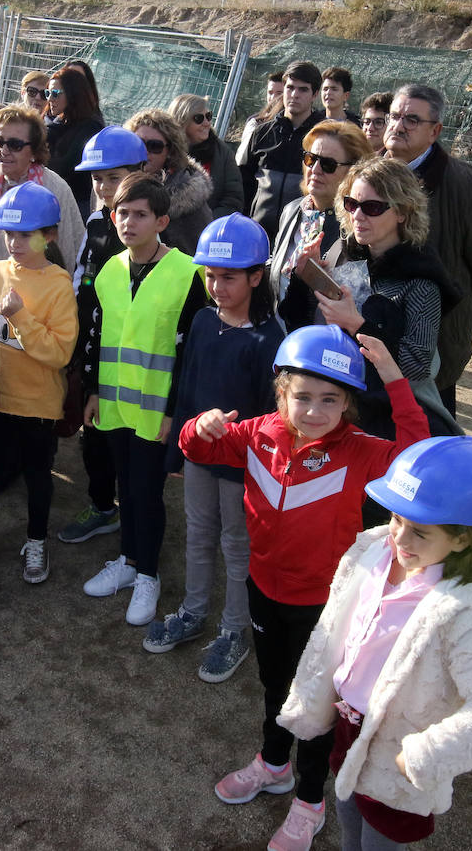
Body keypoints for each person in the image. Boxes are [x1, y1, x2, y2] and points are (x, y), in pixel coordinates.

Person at [179, 324, 430, 851]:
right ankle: (273, 764)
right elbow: (199, 452)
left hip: (327, 603)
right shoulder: (255, 435)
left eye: (330, 400)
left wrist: (393, 377)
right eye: (303, 397)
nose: (314, 411)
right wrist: (200, 429)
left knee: (318, 704)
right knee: (275, 687)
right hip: (264, 589)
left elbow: (416, 455)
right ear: (281, 394)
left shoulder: (360, 452)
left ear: (348, 405)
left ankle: (310, 800)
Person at [279, 436, 472, 848]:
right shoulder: (374, 551)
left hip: (398, 753)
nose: (400, 539)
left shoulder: (465, 608)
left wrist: (424, 755)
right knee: (348, 811)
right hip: (350, 725)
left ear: (463, 538)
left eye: (420, 532)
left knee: (379, 839)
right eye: (397, 518)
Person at [144, 214, 284, 683]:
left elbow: (275, 417)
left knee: (237, 546)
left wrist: (248, 455)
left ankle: (233, 631)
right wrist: (177, 454)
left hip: (242, 469)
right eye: (210, 275)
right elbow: (187, 387)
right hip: (197, 456)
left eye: (229, 277)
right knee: (199, 535)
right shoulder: (204, 320)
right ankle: (193, 611)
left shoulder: (271, 338)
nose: (217, 286)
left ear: (256, 277)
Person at [81, 174, 206, 626]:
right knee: (124, 487)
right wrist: (92, 390)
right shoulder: (110, 270)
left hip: (157, 411)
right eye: (121, 213)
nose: (127, 222)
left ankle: (148, 573)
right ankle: (128, 562)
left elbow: (191, 352)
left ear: (161, 221)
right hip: (115, 405)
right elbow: (98, 335)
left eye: (139, 214)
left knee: (147, 492)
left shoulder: (188, 274)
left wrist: (176, 411)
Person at [0, 183, 78, 585]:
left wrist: (21, 318)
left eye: (24, 233)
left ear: (48, 235)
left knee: (37, 477)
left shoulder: (59, 284)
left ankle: (36, 541)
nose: (14, 242)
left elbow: (59, 353)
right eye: (8, 233)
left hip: (38, 405)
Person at [384, 83, 472, 417]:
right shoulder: (365, 174)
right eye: (394, 116)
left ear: (435, 131)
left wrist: (447, 294)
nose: (398, 126)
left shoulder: (468, 185)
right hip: (373, 329)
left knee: (429, 433)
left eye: (412, 120)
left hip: (437, 336)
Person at [314, 156, 460, 439]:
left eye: (372, 207)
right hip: (344, 409)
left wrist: (358, 326)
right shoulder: (345, 256)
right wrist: (303, 278)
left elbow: (417, 365)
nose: (357, 215)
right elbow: (304, 323)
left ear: (403, 212)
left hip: (392, 422)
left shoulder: (421, 280)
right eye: (352, 204)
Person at [56, 126, 148, 545]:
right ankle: (102, 506)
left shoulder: (154, 229)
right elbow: (80, 279)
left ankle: (136, 520)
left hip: (134, 359)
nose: (105, 187)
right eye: (98, 178)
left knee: (129, 444)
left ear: (142, 173)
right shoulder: (95, 222)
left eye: (115, 177)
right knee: (92, 433)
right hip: (92, 349)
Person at [269, 119, 371, 329]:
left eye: (328, 164)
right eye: (310, 159)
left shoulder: (359, 226)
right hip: (279, 337)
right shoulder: (292, 210)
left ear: (353, 171)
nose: (315, 169)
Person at [0, 105, 85, 274]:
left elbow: (69, 251)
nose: (4, 151)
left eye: (15, 145)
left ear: (34, 149)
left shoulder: (55, 188)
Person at [239, 60, 325, 242]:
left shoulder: (324, 136)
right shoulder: (261, 132)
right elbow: (243, 181)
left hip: (301, 235)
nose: (294, 94)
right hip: (257, 233)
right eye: (290, 87)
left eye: (303, 89)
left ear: (315, 94)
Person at [124, 108, 212, 255]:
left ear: (171, 151)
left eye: (154, 146)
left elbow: (199, 258)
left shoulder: (188, 198)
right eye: (138, 143)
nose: (144, 152)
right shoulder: (114, 182)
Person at [44, 67, 105, 222]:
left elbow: (61, 168)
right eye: (47, 93)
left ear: (73, 95)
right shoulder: (54, 124)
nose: (50, 99)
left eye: (55, 93)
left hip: (76, 206)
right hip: (51, 201)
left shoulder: (90, 128)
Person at [169, 93, 243, 219]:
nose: (207, 123)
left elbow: (233, 199)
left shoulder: (222, 152)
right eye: (199, 118)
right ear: (181, 121)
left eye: (208, 116)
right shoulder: (164, 151)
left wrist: (209, 223)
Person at [235, 71, 284, 166]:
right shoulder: (255, 122)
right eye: (270, 92)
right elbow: (242, 158)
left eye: (279, 93)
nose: (273, 97)